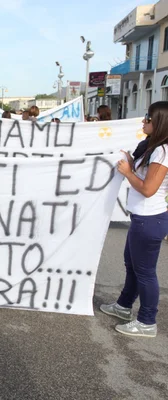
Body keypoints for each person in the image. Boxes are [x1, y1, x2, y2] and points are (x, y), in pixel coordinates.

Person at [101, 102, 168, 338]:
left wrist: (128, 172)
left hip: (150, 219)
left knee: (145, 272)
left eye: (148, 119)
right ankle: (124, 306)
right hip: (142, 218)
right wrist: (131, 162)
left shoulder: (163, 151)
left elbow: (148, 189)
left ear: (159, 122)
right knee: (132, 266)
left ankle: (147, 321)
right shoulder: (152, 147)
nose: (143, 122)